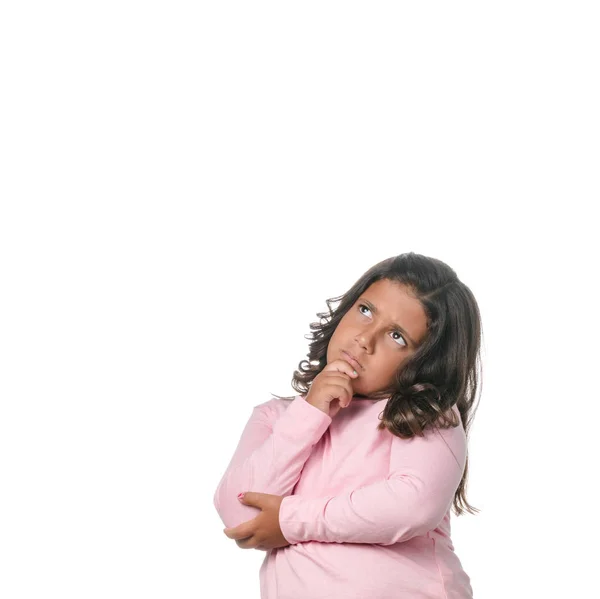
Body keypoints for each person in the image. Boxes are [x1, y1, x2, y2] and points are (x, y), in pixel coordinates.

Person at [213, 252, 482, 598]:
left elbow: (413, 504)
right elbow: (240, 515)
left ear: (425, 363)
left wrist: (290, 521)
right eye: (366, 310)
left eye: (396, 336)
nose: (365, 339)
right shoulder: (277, 418)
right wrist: (310, 412)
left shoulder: (422, 415)